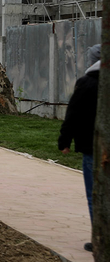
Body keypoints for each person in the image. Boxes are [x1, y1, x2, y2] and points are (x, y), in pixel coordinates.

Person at [59, 43, 100, 253]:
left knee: (95, 195)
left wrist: (64, 141)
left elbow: (73, 113)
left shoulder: (86, 83)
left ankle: (100, 240)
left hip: (92, 148)